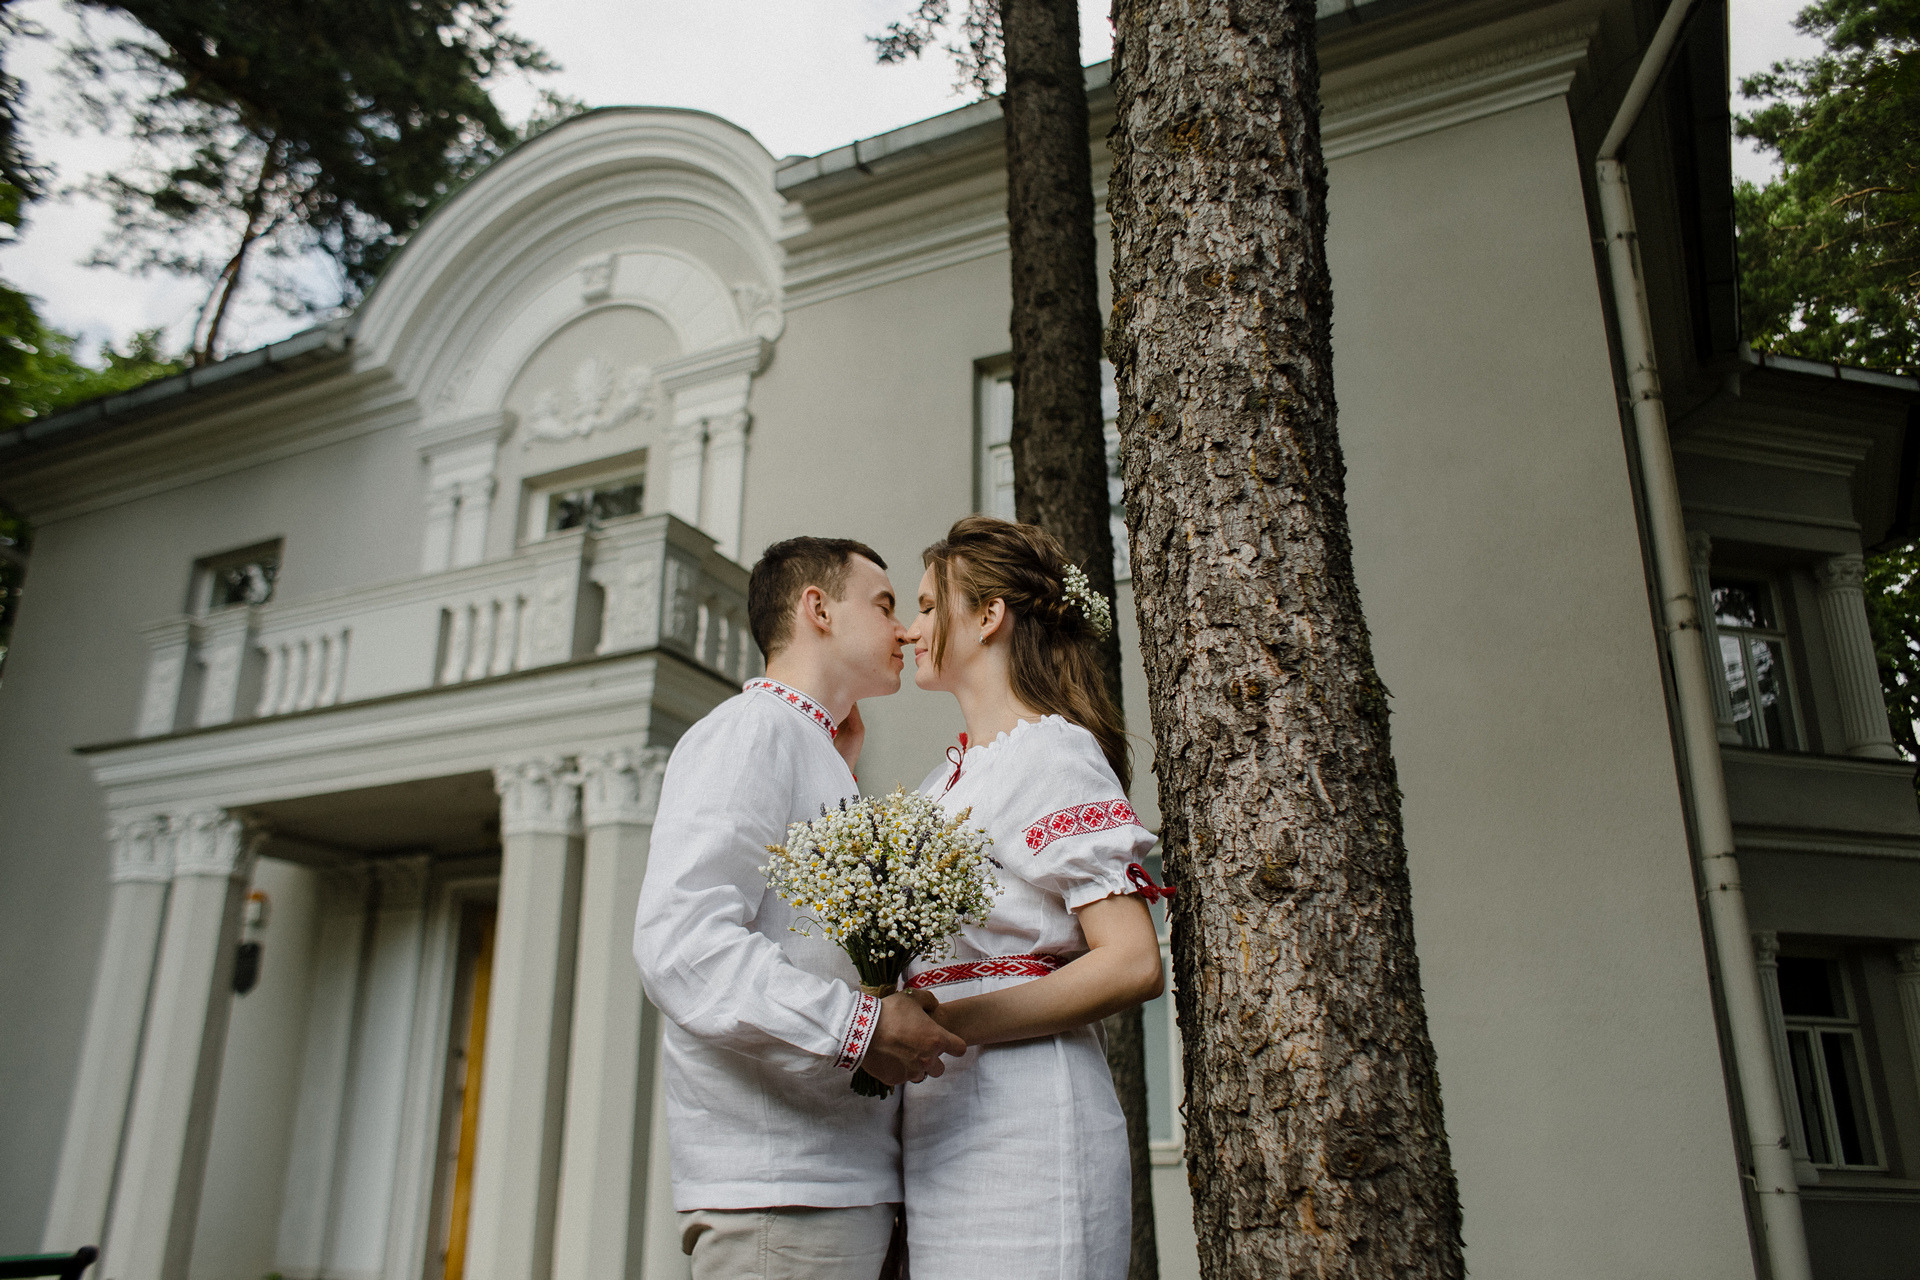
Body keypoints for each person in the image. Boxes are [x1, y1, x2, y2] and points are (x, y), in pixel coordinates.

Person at [634, 535, 967, 1280]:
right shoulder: (750, 733)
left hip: (836, 1187)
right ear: (816, 609)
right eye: (884, 606)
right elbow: (681, 944)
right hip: (781, 1197)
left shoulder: (807, 748)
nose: (906, 630)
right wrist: (863, 1026)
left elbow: (794, 934)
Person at [899, 515, 1168, 1280]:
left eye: (926, 606)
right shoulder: (943, 780)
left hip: (1027, 1120)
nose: (911, 631)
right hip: (941, 1118)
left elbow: (1130, 962)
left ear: (987, 617)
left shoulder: (1050, 751)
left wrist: (946, 1025)